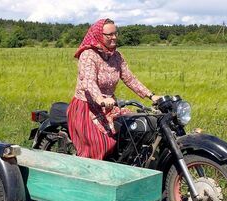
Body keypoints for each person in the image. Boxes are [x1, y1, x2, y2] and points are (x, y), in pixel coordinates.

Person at [67, 18, 161, 160]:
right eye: (109, 34)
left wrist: (151, 95)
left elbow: (129, 78)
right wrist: (100, 99)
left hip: (109, 106)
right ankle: (90, 174)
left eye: (115, 33)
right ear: (99, 35)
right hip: (87, 107)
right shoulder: (88, 55)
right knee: (102, 144)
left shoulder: (116, 56)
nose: (114, 37)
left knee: (133, 129)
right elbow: (88, 81)